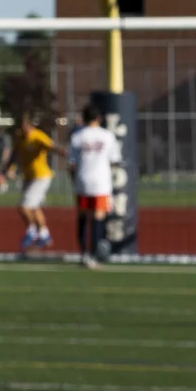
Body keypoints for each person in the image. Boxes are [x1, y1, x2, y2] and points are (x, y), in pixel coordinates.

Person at [68, 102, 122, 269]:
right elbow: (114, 161)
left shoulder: (77, 137)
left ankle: (84, 254)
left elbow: (72, 164)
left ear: (83, 118)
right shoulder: (107, 136)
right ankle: (93, 256)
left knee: (83, 218)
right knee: (98, 219)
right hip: (101, 183)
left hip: (83, 181)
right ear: (99, 118)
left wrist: (75, 180)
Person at [2, 112, 56, 253]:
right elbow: (15, 154)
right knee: (35, 207)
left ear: (31, 125)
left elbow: (52, 147)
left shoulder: (38, 136)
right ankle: (44, 234)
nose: (23, 128)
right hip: (29, 177)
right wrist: (7, 168)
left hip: (41, 176)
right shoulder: (19, 137)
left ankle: (31, 232)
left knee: (23, 206)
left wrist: (66, 154)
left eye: (25, 125)